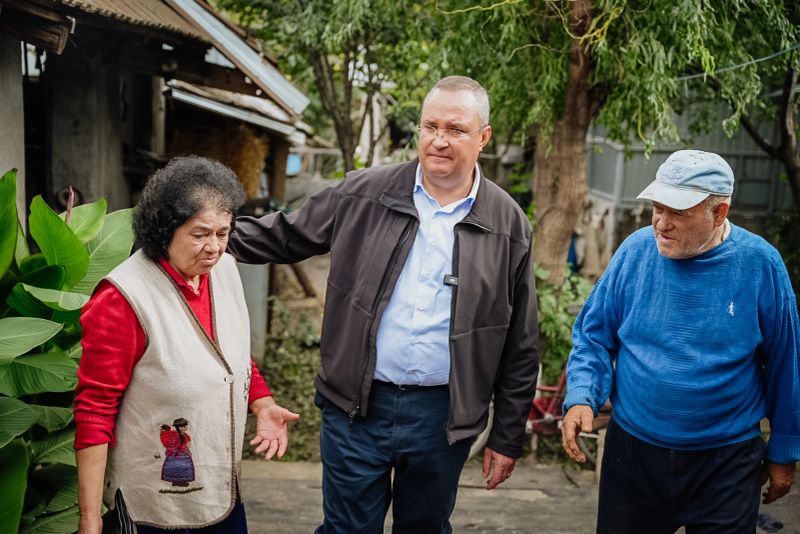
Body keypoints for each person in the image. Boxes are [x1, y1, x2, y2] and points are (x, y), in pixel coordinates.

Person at [227, 75, 539, 533]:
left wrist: (508, 436)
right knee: (347, 529)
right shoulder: (364, 193)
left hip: (443, 417)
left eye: (456, 129)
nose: (439, 140)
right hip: (357, 406)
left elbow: (520, 342)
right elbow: (285, 235)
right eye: (430, 126)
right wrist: (204, 238)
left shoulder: (507, 224)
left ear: (483, 137)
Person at [561, 149, 800, 533]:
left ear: (719, 212)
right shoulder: (635, 252)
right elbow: (593, 335)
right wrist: (581, 396)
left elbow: (786, 364)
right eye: (657, 207)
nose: (661, 222)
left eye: (678, 212)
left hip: (726, 463)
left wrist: (784, 451)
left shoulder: (760, 265)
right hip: (634, 455)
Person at [74, 156, 300, 534]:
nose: (214, 247)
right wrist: (90, 520)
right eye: (200, 234)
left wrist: (262, 403)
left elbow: (229, 353)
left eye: (223, 233)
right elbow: (95, 411)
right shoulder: (124, 298)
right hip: (152, 507)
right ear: (165, 229)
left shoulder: (224, 270)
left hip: (221, 494)